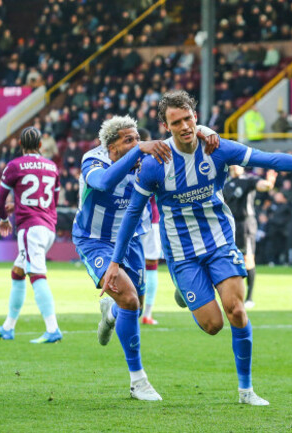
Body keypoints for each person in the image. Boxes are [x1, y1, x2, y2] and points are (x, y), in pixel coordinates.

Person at [104, 90, 292, 406]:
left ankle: (246, 391)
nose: (185, 126)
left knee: (237, 311)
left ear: (196, 118)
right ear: (166, 125)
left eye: (188, 119)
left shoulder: (217, 148)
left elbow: (271, 160)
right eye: (177, 122)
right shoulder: (155, 163)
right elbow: (133, 212)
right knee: (213, 325)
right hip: (183, 253)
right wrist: (115, 262)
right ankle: (183, 287)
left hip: (221, 243)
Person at [72, 115, 217, 401]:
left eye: (139, 138)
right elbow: (102, 183)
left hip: (134, 239)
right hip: (95, 241)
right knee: (129, 298)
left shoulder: (147, 158)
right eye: (129, 140)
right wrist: (140, 150)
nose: (138, 144)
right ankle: (138, 381)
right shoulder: (94, 160)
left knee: (132, 308)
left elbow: (183, 136)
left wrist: (207, 131)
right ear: (111, 146)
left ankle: (109, 313)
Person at [0, 127, 63, 344]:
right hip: (48, 226)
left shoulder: (15, 166)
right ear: (41, 146)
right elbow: (52, 202)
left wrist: (3, 218)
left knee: (37, 275)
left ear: (20, 145)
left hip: (31, 229)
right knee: (18, 272)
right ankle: (8, 328)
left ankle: (52, 328)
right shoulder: (51, 166)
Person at [223, 166, 276, 308]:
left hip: (246, 224)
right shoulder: (225, 183)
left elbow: (261, 185)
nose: (235, 166)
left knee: (248, 259)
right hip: (231, 224)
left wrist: (269, 184)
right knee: (230, 259)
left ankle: (249, 298)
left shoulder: (248, 179)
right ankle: (233, 294)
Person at [137, 128, 162, 325]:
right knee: (151, 266)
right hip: (152, 220)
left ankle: (130, 310)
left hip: (131, 220)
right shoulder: (155, 162)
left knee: (127, 265)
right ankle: (147, 313)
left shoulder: (129, 162)